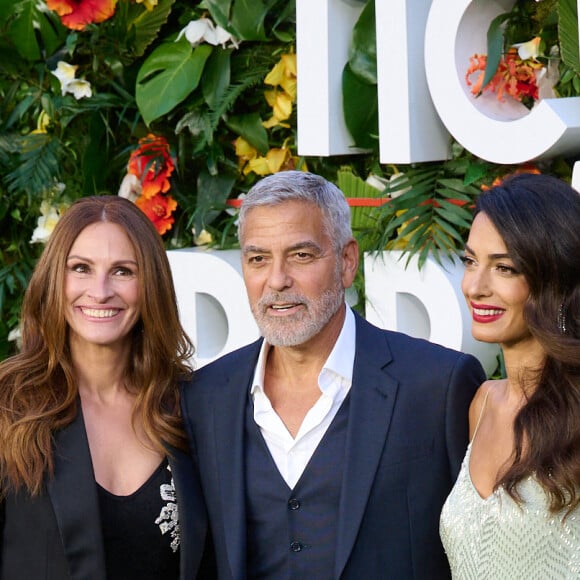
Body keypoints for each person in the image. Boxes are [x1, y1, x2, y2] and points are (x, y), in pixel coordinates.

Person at [181, 170, 486, 579]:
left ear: (346, 262)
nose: (277, 280)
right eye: (258, 259)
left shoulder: (439, 386)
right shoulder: (205, 398)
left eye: (301, 255)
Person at [0, 196, 213, 579]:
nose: (100, 291)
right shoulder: (8, 406)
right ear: (54, 279)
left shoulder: (191, 407)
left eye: (122, 271)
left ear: (151, 283)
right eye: (81, 268)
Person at [440, 173, 580, 578]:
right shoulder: (483, 403)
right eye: (470, 261)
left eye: (504, 268)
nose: (475, 287)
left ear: (554, 277)